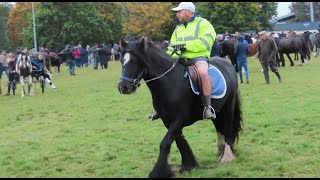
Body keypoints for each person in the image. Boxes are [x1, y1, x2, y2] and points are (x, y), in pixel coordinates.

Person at [148, 2, 216, 120]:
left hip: (198, 58)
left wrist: (185, 45)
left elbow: (206, 43)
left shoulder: (204, 24)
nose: (177, 14)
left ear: (188, 11)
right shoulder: (178, 29)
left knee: (203, 73)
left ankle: (208, 107)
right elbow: (172, 47)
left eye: (179, 11)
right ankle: (159, 108)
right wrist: (165, 58)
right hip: (180, 59)